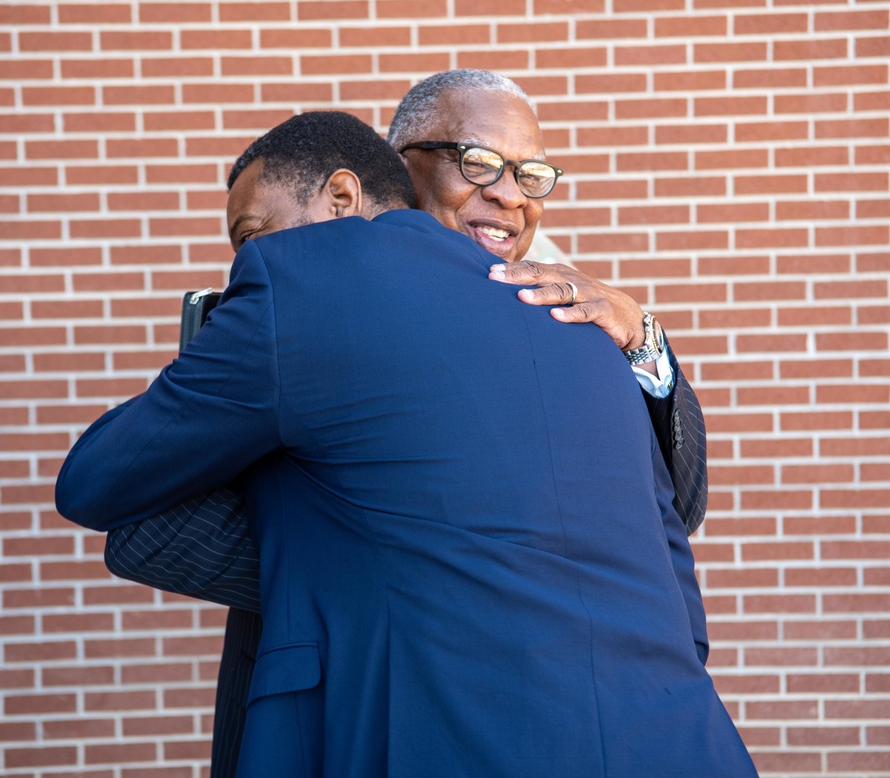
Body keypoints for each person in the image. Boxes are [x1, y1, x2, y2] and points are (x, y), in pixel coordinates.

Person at [57, 110, 754, 777]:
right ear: (408, 167)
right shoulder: (590, 336)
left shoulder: (305, 287)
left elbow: (96, 485)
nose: (509, 196)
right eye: (478, 163)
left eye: (251, 233)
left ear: (341, 196)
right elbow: (680, 604)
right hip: (682, 742)